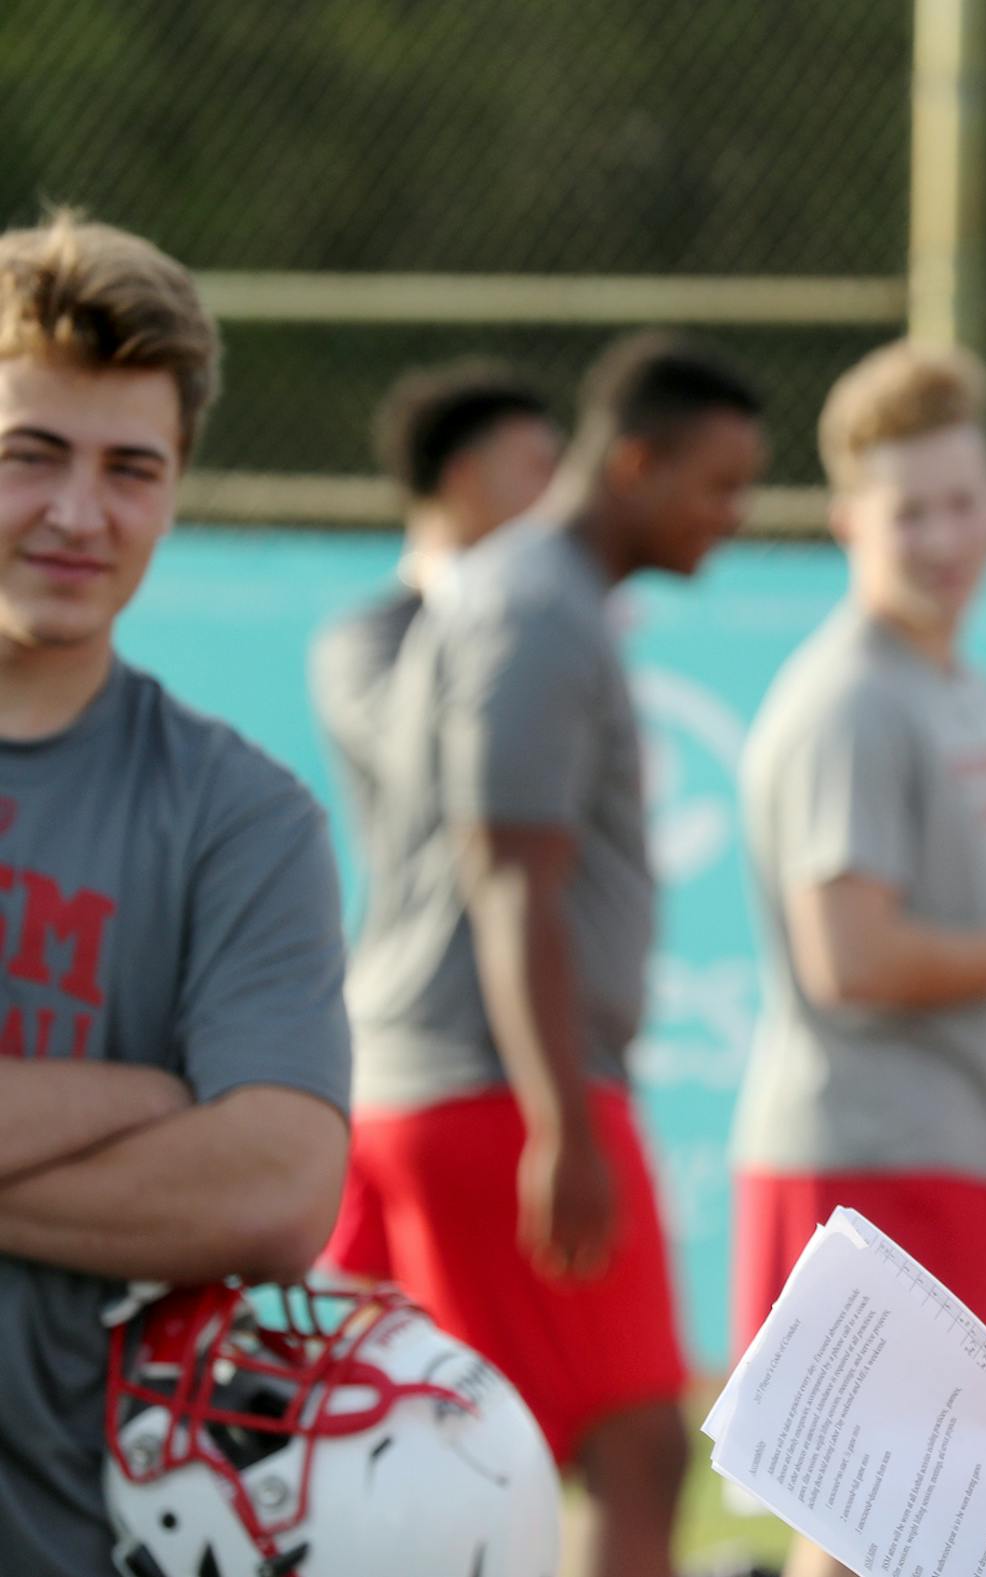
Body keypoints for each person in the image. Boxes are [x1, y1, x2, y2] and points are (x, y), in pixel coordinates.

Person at [321, 331, 767, 1577]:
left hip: (452, 1082)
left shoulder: (532, 596)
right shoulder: (537, 604)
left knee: (452, 1454)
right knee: (629, 1449)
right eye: (718, 483)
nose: (733, 517)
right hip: (493, 1089)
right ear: (631, 461)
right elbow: (508, 876)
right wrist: (558, 1118)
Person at [730, 340, 986, 1577]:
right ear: (850, 517)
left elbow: (937, 916)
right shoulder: (851, 698)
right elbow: (849, 957)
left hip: (949, 1149)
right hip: (867, 1156)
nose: (946, 535)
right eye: (911, 509)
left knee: (907, 1526)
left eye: (965, 501)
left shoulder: (954, 684)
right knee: (865, 1527)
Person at [0, 212, 351, 1577]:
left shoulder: (240, 816)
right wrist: (141, 1099)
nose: (79, 512)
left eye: (130, 468)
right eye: (32, 454)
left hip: (78, 1533)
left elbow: (276, 1182)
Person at [311, 360, 559, 904]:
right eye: (538, 469)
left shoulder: (554, 624)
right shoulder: (364, 640)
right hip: (426, 980)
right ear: (464, 477)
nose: (558, 498)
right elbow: (439, 771)